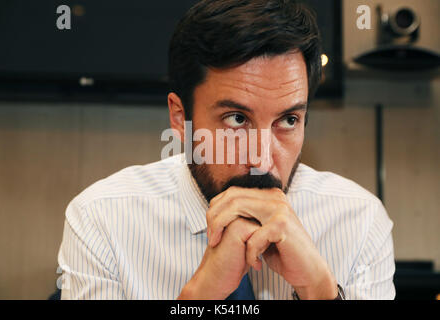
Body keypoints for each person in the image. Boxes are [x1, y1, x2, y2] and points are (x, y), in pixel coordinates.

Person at [57, 0, 395, 300]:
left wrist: (320, 293)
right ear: (179, 116)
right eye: (236, 119)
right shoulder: (102, 221)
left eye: (289, 120)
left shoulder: (359, 222)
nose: (262, 160)